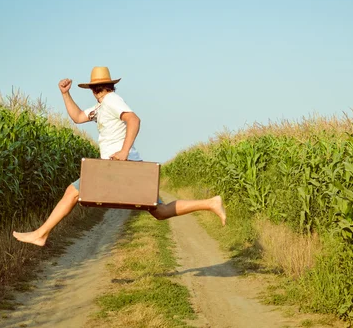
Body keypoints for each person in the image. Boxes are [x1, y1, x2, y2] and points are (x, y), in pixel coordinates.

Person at [13, 66, 226, 246]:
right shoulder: (101, 105)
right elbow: (78, 117)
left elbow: (134, 120)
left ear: (95, 88)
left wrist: (124, 151)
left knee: (72, 192)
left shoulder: (112, 100)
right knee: (159, 211)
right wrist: (65, 94)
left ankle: (41, 234)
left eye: (93, 87)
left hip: (120, 166)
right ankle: (210, 203)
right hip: (123, 166)